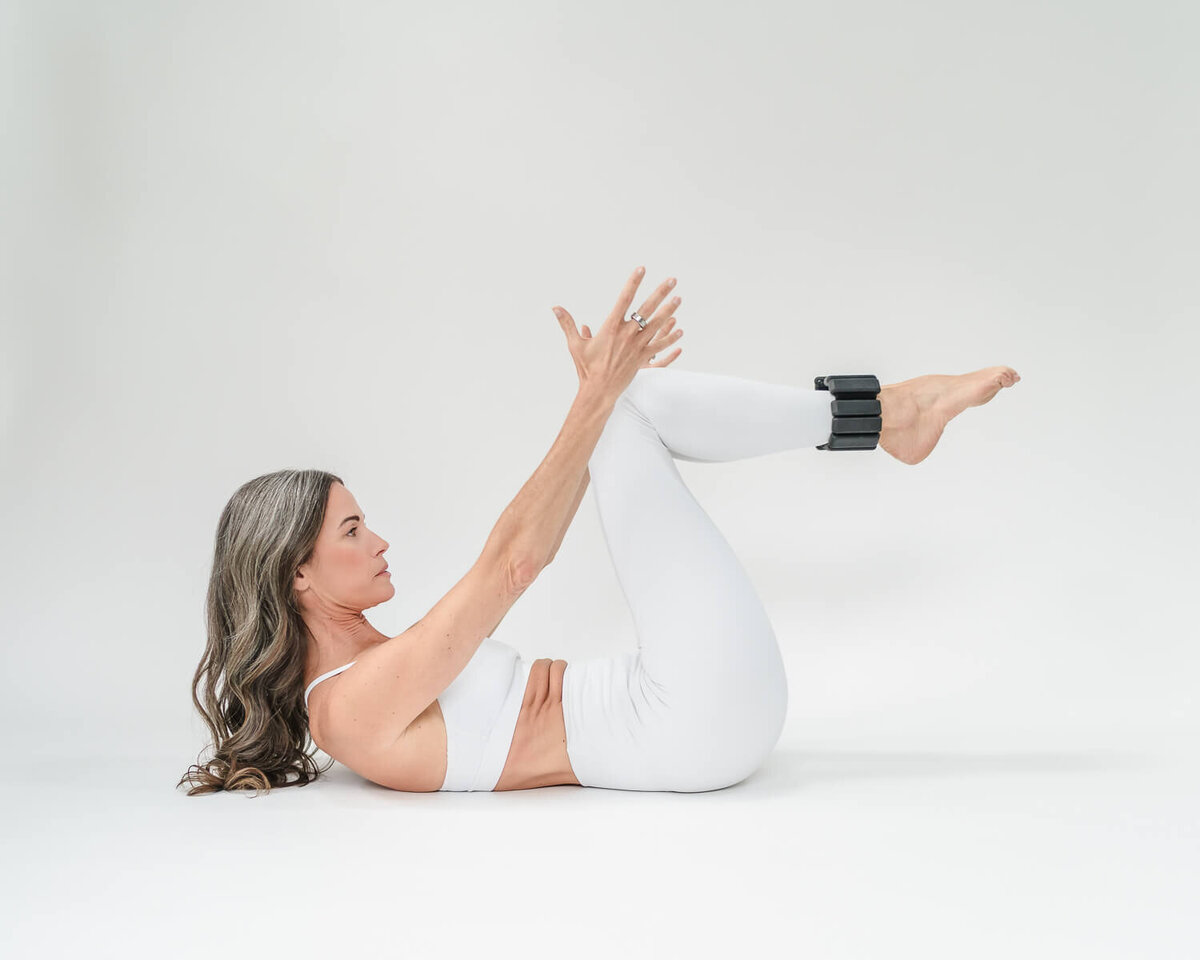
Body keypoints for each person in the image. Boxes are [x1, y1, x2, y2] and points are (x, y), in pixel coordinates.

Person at [178, 266, 1020, 796]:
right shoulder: (347, 711)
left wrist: (597, 403)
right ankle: (893, 415)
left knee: (628, 408)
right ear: (297, 575)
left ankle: (887, 416)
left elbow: (524, 545)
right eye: (353, 531)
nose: (380, 543)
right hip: (692, 724)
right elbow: (512, 564)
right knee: (629, 407)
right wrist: (594, 402)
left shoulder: (367, 673)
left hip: (691, 712)